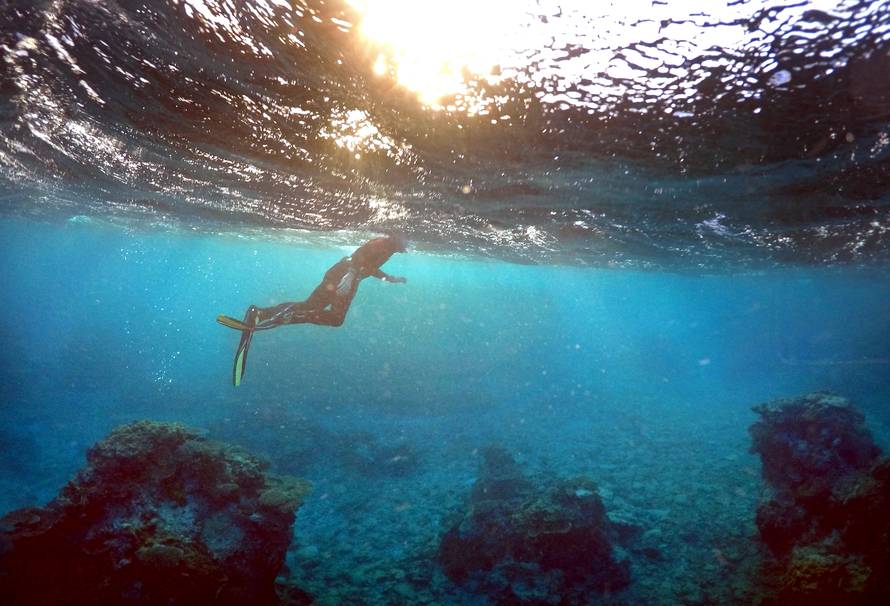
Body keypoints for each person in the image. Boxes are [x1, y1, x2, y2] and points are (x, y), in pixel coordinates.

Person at [217, 234, 408, 386]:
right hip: (344, 277)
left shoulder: (388, 248)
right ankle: (286, 317)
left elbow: (369, 265)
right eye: (407, 238)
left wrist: (389, 278)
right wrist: (350, 276)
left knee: (311, 306)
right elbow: (359, 256)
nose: (409, 242)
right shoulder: (382, 244)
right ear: (398, 236)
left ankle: (260, 313)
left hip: (340, 273)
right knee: (335, 319)